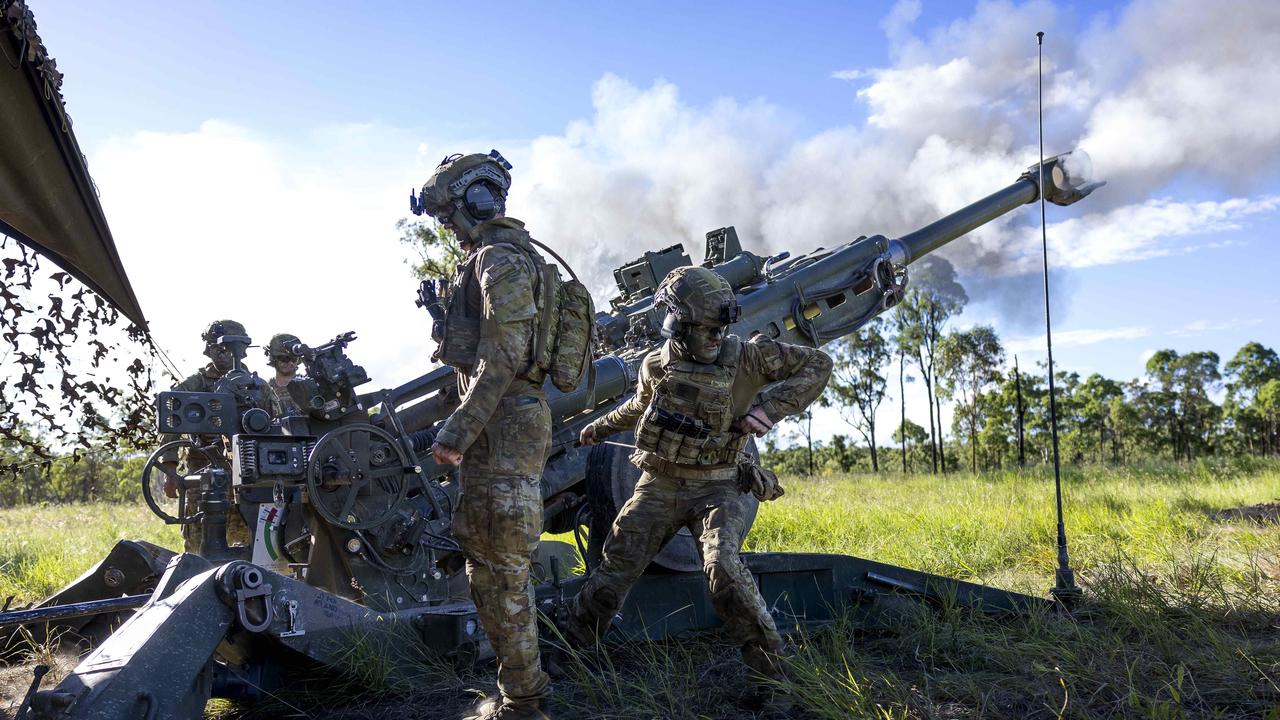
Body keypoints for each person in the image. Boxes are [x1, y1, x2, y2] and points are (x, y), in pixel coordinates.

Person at [569, 266, 832, 712]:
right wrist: (598, 427)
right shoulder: (657, 363)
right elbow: (639, 405)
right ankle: (571, 656)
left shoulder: (751, 357)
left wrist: (769, 408)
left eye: (720, 329)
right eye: (705, 330)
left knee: (724, 569)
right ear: (677, 325)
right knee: (615, 568)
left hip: (720, 487)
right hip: (660, 483)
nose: (715, 338)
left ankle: (775, 685)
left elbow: (818, 364)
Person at [421, 152, 554, 720]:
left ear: (475, 204)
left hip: (502, 426)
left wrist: (458, 430)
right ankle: (518, 694)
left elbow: (504, 354)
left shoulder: (499, 259)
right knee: (489, 564)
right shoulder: (501, 259)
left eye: (450, 217)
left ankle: (524, 703)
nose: (449, 230)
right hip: (498, 424)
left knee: (503, 573)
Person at [156, 319, 278, 554]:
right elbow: (171, 421)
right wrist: (170, 470)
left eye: (230, 348)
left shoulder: (258, 387)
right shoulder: (195, 384)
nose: (224, 354)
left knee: (255, 548)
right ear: (207, 349)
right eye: (217, 348)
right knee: (200, 549)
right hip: (203, 476)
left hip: (251, 477)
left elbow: (277, 428)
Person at [263, 332, 304, 416]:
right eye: (284, 358)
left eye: (293, 358)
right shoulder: (266, 390)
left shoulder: (308, 385)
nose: (289, 362)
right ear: (274, 359)